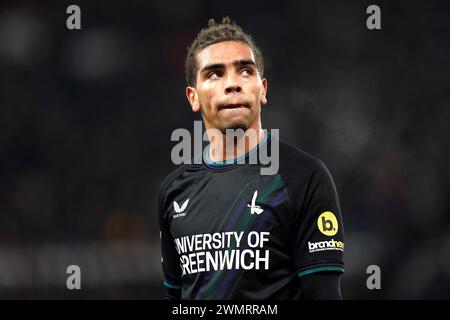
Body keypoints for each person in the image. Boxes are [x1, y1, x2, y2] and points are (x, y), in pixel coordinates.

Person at [158, 17, 345, 300]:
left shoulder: (304, 178)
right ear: (193, 97)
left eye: (245, 71)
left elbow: (324, 295)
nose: (232, 84)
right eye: (214, 74)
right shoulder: (173, 192)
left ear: (263, 89)